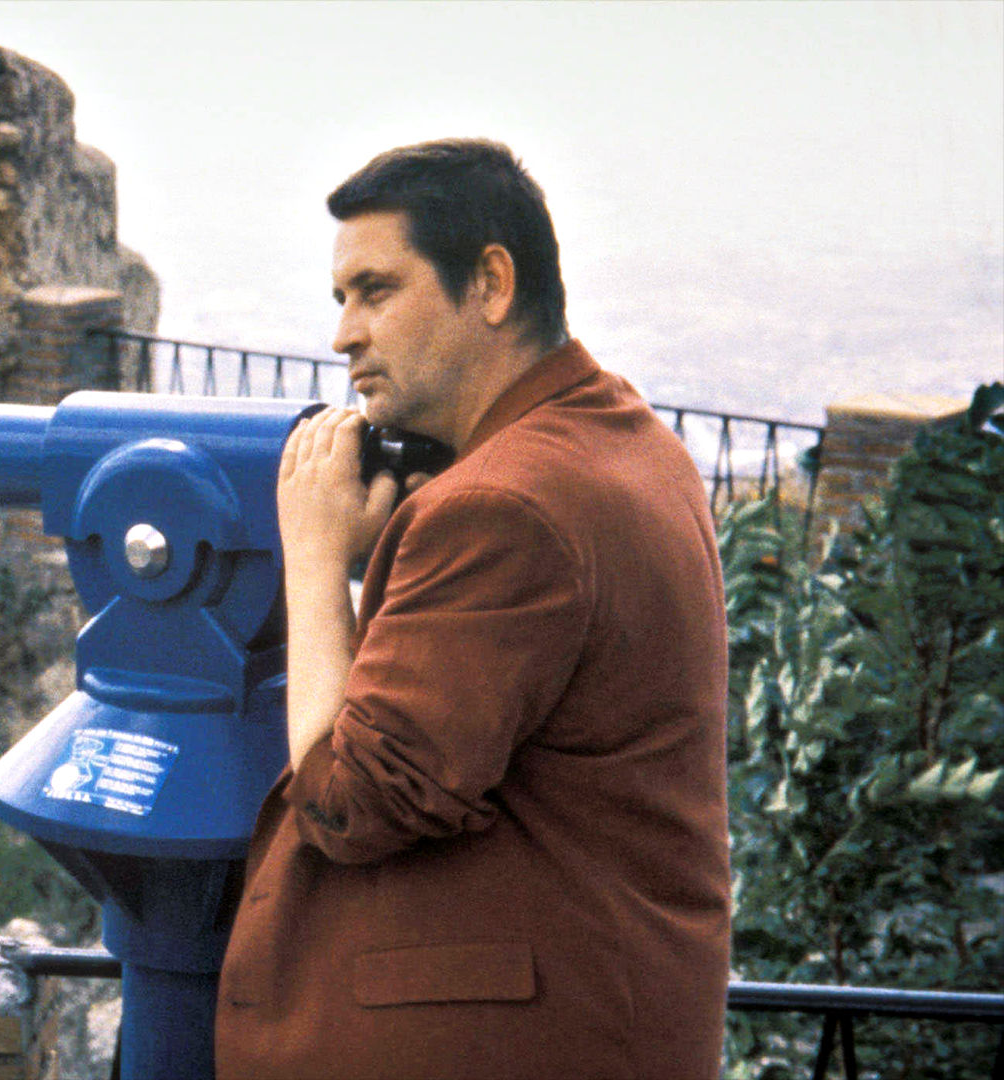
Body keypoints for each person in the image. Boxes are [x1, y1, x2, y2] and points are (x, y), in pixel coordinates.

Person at [216, 140, 731, 1078]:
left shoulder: (501, 507)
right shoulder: (626, 440)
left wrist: (315, 557)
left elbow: (347, 803)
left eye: (376, 291)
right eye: (340, 299)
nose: (343, 335)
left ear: (491, 283)